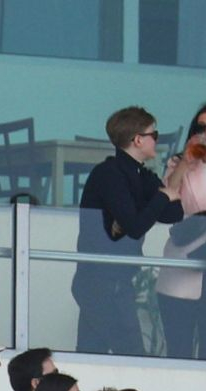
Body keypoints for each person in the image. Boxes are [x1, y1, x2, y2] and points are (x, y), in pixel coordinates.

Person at [72, 106, 191, 355]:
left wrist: (180, 171)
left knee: (91, 353)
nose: (156, 141)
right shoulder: (108, 174)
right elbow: (134, 227)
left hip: (117, 283)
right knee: (131, 355)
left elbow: (173, 213)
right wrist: (161, 196)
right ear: (138, 140)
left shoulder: (142, 176)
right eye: (153, 135)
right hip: (100, 282)